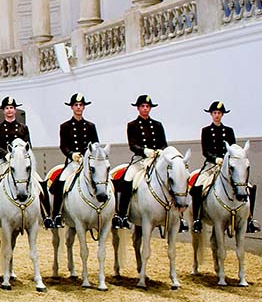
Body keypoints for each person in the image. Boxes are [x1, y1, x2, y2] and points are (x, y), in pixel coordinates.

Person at [0, 97, 52, 230]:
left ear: (15, 110)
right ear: (3, 111)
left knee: (41, 184)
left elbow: (28, 146)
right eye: (7, 108)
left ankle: (47, 216)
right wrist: (6, 155)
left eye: (11, 108)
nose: (9, 110)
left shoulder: (23, 128)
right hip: (4, 162)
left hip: (21, 164)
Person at [192, 101, 260, 234]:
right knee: (198, 186)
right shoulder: (206, 131)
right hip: (212, 164)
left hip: (228, 165)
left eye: (219, 113)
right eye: (215, 113)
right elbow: (205, 151)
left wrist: (228, 161)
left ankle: (250, 219)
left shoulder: (228, 131)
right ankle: (197, 219)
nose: (217, 115)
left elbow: (233, 148)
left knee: (249, 187)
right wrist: (215, 159)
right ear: (211, 114)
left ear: (222, 115)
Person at [113, 94, 174, 230]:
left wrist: (160, 151)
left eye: (147, 106)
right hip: (140, 160)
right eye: (143, 106)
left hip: (157, 159)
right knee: (127, 179)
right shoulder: (132, 125)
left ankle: (177, 216)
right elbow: (132, 145)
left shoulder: (157, 125)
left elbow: (164, 144)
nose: (145, 108)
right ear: (138, 108)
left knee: (172, 178)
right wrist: (145, 151)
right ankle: (122, 215)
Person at [50, 93, 100, 229]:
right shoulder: (65, 126)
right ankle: (56, 215)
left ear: (83, 107)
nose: (78, 107)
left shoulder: (90, 126)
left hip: (87, 162)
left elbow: (95, 144)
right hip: (73, 163)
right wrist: (72, 155)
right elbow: (63, 146)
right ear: (72, 107)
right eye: (76, 105)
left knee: (101, 179)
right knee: (60, 183)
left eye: (80, 105)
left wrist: (89, 156)